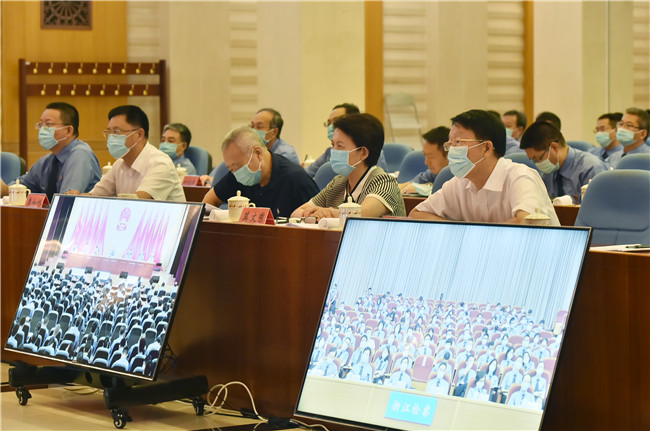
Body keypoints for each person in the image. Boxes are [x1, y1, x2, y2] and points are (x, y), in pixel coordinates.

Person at [410, 109, 559, 225]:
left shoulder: (520, 177)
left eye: (459, 142)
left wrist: (476, 235)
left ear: (487, 148)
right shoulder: (459, 183)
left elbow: (526, 223)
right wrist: (460, 231)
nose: (453, 150)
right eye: (450, 144)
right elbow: (416, 215)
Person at [292, 113, 406, 219]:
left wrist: (329, 212)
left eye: (340, 146)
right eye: (333, 144)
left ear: (363, 153)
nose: (333, 151)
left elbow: (361, 214)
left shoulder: (385, 183)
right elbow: (296, 213)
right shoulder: (338, 183)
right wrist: (310, 213)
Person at [202, 126, 318, 218]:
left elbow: (316, 223)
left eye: (237, 167)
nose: (235, 173)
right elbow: (209, 201)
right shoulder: (238, 175)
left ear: (257, 153)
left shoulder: (296, 179)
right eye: (231, 169)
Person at [1, 102, 101, 200]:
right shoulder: (47, 161)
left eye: (48, 124)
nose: (42, 129)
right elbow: (18, 189)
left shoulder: (80, 155)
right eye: (40, 124)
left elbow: (65, 200)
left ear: (68, 131)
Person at [88, 105, 185, 201]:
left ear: (139, 134)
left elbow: (137, 203)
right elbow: (93, 196)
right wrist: (80, 197)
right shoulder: (119, 165)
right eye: (109, 132)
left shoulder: (161, 163)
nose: (111, 137)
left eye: (117, 131)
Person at [519, 120, 608, 203]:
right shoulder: (548, 173)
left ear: (554, 147)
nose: (538, 164)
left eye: (539, 158)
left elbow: (599, 207)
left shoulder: (590, 168)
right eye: (533, 161)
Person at [305, 103, 390, 178]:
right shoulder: (338, 182)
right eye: (329, 122)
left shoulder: (379, 182)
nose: (332, 126)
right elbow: (306, 174)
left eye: (336, 120)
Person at [399, 126, 450, 194]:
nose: (426, 162)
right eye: (425, 155)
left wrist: (428, 188)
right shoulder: (433, 173)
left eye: (430, 156)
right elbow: (409, 184)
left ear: (448, 154)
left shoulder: (460, 176)